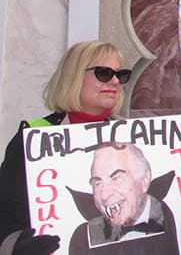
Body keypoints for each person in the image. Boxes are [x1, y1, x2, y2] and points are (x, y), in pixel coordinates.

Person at [0, 40, 131, 255]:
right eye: (103, 73)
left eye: (121, 74)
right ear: (74, 76)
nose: (116, 81)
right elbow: (5, 218)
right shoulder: (32, 136)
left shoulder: (134, 138)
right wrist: (16, 246)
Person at [68, 142, 179, 254]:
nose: (105, 195)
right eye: (97, 183)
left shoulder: (164, 214)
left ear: (145, 180)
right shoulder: (83, 238)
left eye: (116, 178)